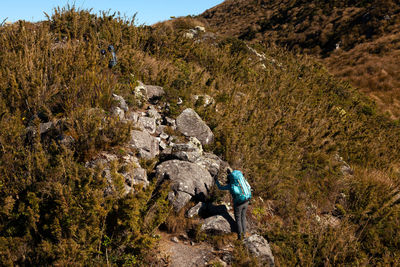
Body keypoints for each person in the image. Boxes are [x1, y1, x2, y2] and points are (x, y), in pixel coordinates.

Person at [215, 167, 250, 240]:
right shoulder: (241, 180)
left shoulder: (231, 185)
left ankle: (240, 237)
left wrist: (216, 181)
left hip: (239, 203)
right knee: (243, 217)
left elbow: (220, 187)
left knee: (238, 219)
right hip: (246, 200)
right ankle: (245, 234)